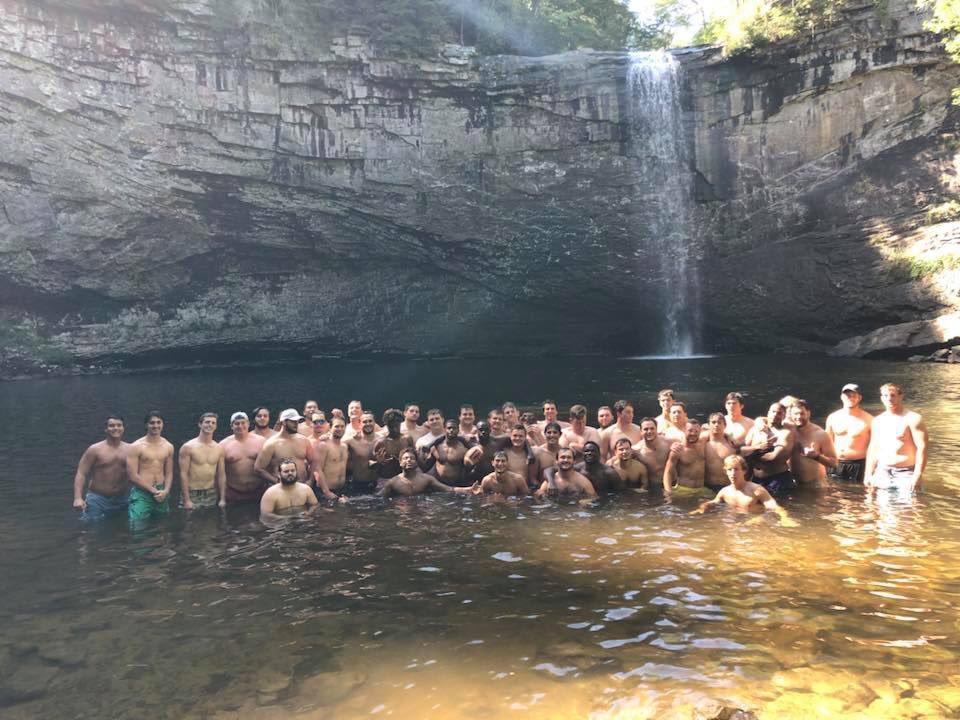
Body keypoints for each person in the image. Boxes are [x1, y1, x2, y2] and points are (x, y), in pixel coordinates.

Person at [692, 455, 795, 526]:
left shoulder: (756, 490)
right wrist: (702, 507)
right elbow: (714, 502)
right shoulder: (725, 492)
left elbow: (774, 507)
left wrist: (785, 518)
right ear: (725, 471)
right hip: (735, 523)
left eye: (736, 469)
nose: (733, 473)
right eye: (729, 470)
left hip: (754, 523)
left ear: (744, 471)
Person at [865, 383, 928, 492]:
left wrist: (917, 475)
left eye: (893, 395)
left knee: (911, 502)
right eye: (885, 396)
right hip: (883, 471)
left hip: (907, 472)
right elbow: (873, 448)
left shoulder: (913, 418)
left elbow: (922, 448)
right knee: (880, 503)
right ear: (882, 398)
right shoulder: (877, 421)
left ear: (901, 396)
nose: (889, 399)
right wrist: (868, 473)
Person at [73, 415, 130, 521]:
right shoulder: (95, 449)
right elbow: (81, 472)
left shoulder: (131, 449)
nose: (116, 428)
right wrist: (78, 498)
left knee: (122, 528)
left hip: (122, 498)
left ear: (123, 428)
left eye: (119, 425)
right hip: (98, 499)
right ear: (106, 429)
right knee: (92, 527)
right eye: (112, 426)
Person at [126, 411, 174, 522]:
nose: (155, 425)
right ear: (146, 425)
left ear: (163, 424)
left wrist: (166, 491)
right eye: (152, 423)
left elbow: (169, 473)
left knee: (162, 524)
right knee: (137, 524)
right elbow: (132, 476)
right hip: (142, 492)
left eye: (158, 422)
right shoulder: (136, 446)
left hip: (161, 491)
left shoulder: (168, 446)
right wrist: (153, 491)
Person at [741, 403, 796, 497]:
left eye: (779, 413)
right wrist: (758, 447)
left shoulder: (785, 434)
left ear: (784, 416)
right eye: (773, 412)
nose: (775, 415)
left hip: (777, 479)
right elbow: (742, 450)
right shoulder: (755, 429)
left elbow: (773, 457)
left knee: (779, 505)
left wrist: (751, 455)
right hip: (756, 479)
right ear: (768, 413)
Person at [824, 384, 873, 483]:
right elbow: (826, 443)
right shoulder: (833, 417)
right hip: (835, 463)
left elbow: (875, 446)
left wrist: (871, 470)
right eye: (847, 395)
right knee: (834, 491)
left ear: (859, 398)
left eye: (854, 395)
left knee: (857, 492)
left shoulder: (869, 419)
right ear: (842, 397)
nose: (850, 398)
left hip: (858, 464)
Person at [254, 408, 314, 488]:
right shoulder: (271, 444)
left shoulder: (303, 440)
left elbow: (314, 463)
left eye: (297, 421)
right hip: (281, 489)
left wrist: (310, 481)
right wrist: (276, 481)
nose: (296, 424)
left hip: (302, 487)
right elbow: (258, 468)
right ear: (284, 422)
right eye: (293, 421)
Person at [179, 412, 227, 509]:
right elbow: (183, 474)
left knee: (210, 518)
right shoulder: (188, 447)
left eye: (213, 423)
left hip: (210, 492)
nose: (210, 425)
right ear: (200, 424)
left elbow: (221, 475)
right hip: (192, 492)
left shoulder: (219, 448)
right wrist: (187, 499)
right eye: (207, 422)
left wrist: (222, 498)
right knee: (190, 518)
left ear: (216, 426)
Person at [219, 412, 267, 505]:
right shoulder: (223, 445)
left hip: (259, 491)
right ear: (231, 426)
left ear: (248, 424)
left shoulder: (261, 441)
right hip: (233, 493)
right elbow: (220, 473)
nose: (240, 426)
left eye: (243, 423)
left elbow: (271, 464)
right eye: (237, 424)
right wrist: (222, 498)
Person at [789, 400, 838, 487]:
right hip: (793, 483)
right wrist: (762, 422)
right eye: (795, 414)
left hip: (815, 485)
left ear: (808, 413)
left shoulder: (820, 434)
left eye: (802, 413)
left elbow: (834, 463)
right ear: (790, 415)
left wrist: (816, 456)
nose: (799, 417)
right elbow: (771, 418)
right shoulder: (788, 431)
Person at [378, 449, 464, 497]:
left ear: (416, 463)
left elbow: (447, 489)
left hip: (421, 512)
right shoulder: (393, 482)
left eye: (412, 458)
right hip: (402, 513)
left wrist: (467, 490)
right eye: (406, 458)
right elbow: (378, 497)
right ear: (400, 463)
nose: (409, 460)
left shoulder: (426, 479)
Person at [663, 420, 709, 498]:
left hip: (700, 489)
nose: (693, 433)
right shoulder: (677, 450)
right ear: (684, 430)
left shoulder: (702, 443)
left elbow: (715, 431)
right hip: (684, 490)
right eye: (690, 430)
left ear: (700, 432)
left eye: (696, 431)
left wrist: (727, 436)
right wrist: (668, 492)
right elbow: (668, 472)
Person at [373, 408, 414, 480]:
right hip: (386, 478)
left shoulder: (407, 439)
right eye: (391, 427)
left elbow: (415, 459)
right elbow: (370, 464)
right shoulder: (381, 442)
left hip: (406, 478)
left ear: (400, 424)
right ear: (387, 425)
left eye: (396, 426)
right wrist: (378, 462)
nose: (394, 429)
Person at [345, 411, 380, 494]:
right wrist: (326, 436)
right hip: (357, 485)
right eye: (364, 422)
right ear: (360, 424)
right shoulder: (351, 441)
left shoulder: (382, 440)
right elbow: (335, 443)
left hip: (377, 484)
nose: (368, 424)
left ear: (374, 423)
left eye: (370, 421)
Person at [430, 418, 472, 486]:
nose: (451, 430)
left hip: (457, 483)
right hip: (438, 484)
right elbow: (427, 465)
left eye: (454, 428)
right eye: (449, 428)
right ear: (444, 429)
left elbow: (470, 467)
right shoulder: (437, 447)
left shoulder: (464, 448)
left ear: (458, 430)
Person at [314, 417, 348, 496]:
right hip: (326, 491)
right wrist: (327, 492)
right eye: (337, 426)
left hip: (341, 490)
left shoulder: (344, 446)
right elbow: (317, 470)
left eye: (342, 426)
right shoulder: (323, 445)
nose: (340, 429)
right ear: (330, 427)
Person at [633, 417, 671, 487]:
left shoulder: (668, 443)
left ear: (656, 429)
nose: (649, 431)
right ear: (641, 431)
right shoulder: (636, 450)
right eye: (646, 429)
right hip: (652, 487)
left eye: (652, 428)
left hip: (671, 484)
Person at [704, 412, 737, 490]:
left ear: (725, 425)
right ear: (708, 425)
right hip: (707, 487)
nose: (716, 425)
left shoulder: (732, 444)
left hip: (727, 487)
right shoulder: (702, 443)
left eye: (719, 422)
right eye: (713, 422)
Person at [504, 424, 540, 489]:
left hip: (525, 490)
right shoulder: (505, 453)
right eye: (515, 436)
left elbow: (533, 478)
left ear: (525, 437)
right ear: (510, 436)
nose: (517, 438)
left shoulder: (532, 454)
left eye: (521, 436)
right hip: (507, 489)